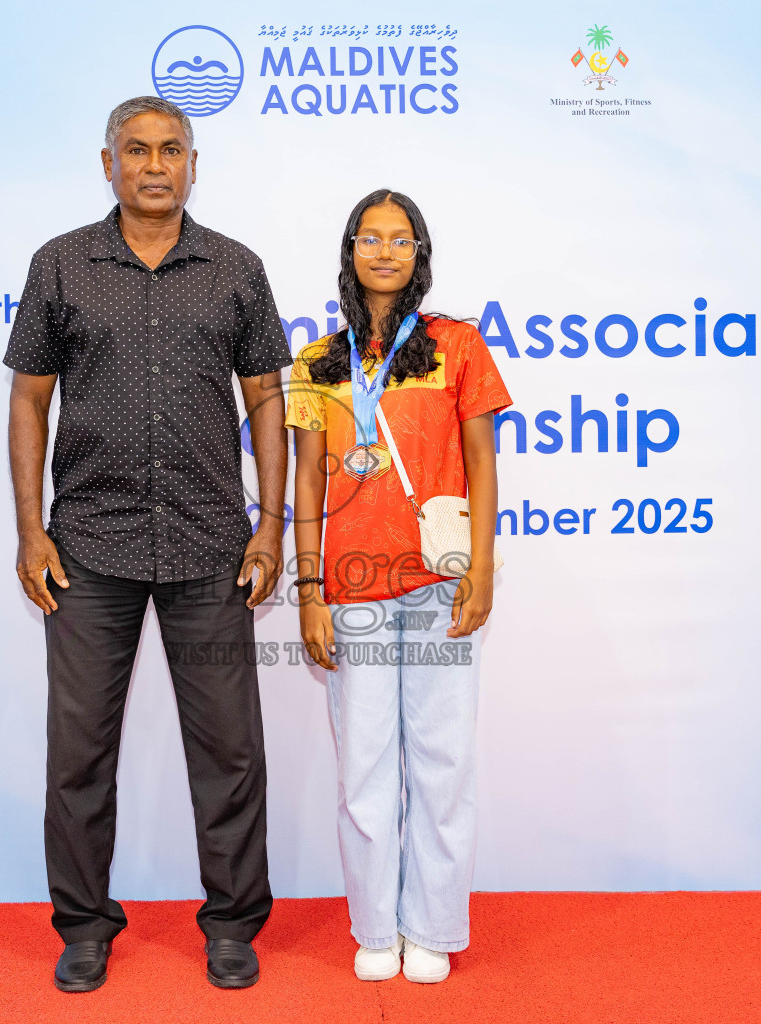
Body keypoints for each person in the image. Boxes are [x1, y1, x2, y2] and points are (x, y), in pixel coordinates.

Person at [4, 96, 290, 993]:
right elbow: (28, 403)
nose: (155, 165)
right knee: (79, 751)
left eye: (172, 149)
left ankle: (232, 924)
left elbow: (269, 403)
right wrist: (29, 531)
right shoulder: (60, 265)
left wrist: (272, 526)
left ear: (194, 164)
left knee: (231, 750)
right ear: (108, 164)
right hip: (88, 548)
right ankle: (85, 926)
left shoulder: (236, 269)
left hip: (212, 545)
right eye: (137, 150)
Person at [288, 191, 509, 984]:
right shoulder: (317, 361)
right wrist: (309, 590)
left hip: (438, 587)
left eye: (401, 238)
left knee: (444, 762)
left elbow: (482, 462)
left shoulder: (458, 344)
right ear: (349, 250)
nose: (385, 251)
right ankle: (376, 926)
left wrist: (481, 569)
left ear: (420, 253)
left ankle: (435, 927)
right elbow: (307, 480)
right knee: (366, 769)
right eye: (370, 238)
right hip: (351, 593)